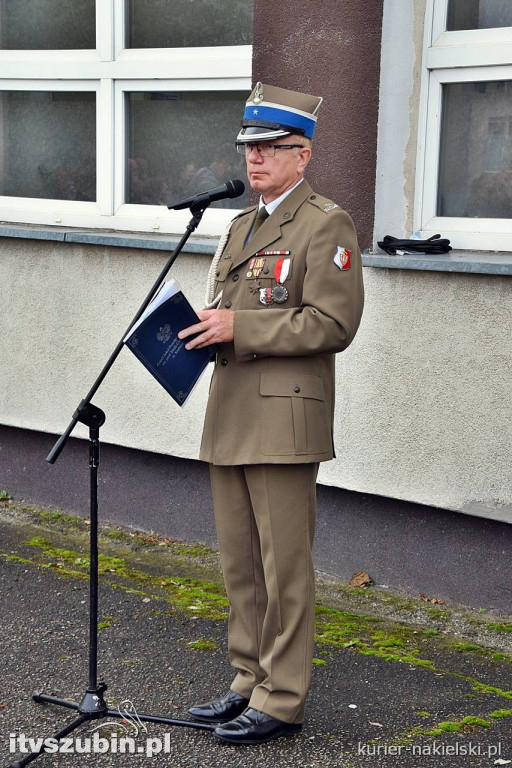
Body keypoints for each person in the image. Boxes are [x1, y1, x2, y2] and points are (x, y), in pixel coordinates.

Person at [178, 82, 364, 745]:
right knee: (239, 563)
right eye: (249, 148)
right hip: (231, 413)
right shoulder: (240, 225)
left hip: (285, 420)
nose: (254, 160)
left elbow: (333, 322)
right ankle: (247, 679)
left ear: (303, 154)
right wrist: (200, 329)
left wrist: (240, 324)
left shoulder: (325, 223)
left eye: (270, 148)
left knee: (284, 567)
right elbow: (231, 317)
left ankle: (282, 699)